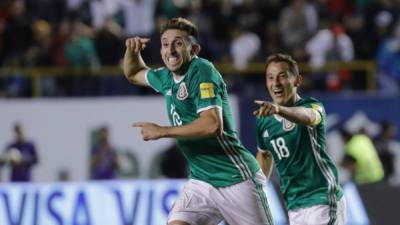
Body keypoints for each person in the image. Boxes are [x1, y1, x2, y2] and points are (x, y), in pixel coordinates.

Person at [123, 17, 274, 225]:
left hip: (236, 179)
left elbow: (213, 125)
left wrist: (163, 131)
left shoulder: (202, 71)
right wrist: (132, 50)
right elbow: (134, 73)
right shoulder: (166, 78)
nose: (171, 50)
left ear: (194, 49)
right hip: (202, 181)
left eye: (178, 43)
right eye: (165, 44)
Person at [254, 54, 346, 225]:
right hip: (294, 205)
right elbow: (264, 155)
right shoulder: (263, 120)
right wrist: (256, 191)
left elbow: (309, 117)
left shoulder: (312, 106)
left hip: (322, 198)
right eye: (270, 78)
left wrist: (279, 110)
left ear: (297, 81)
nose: (276, 83)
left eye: (282, 76)